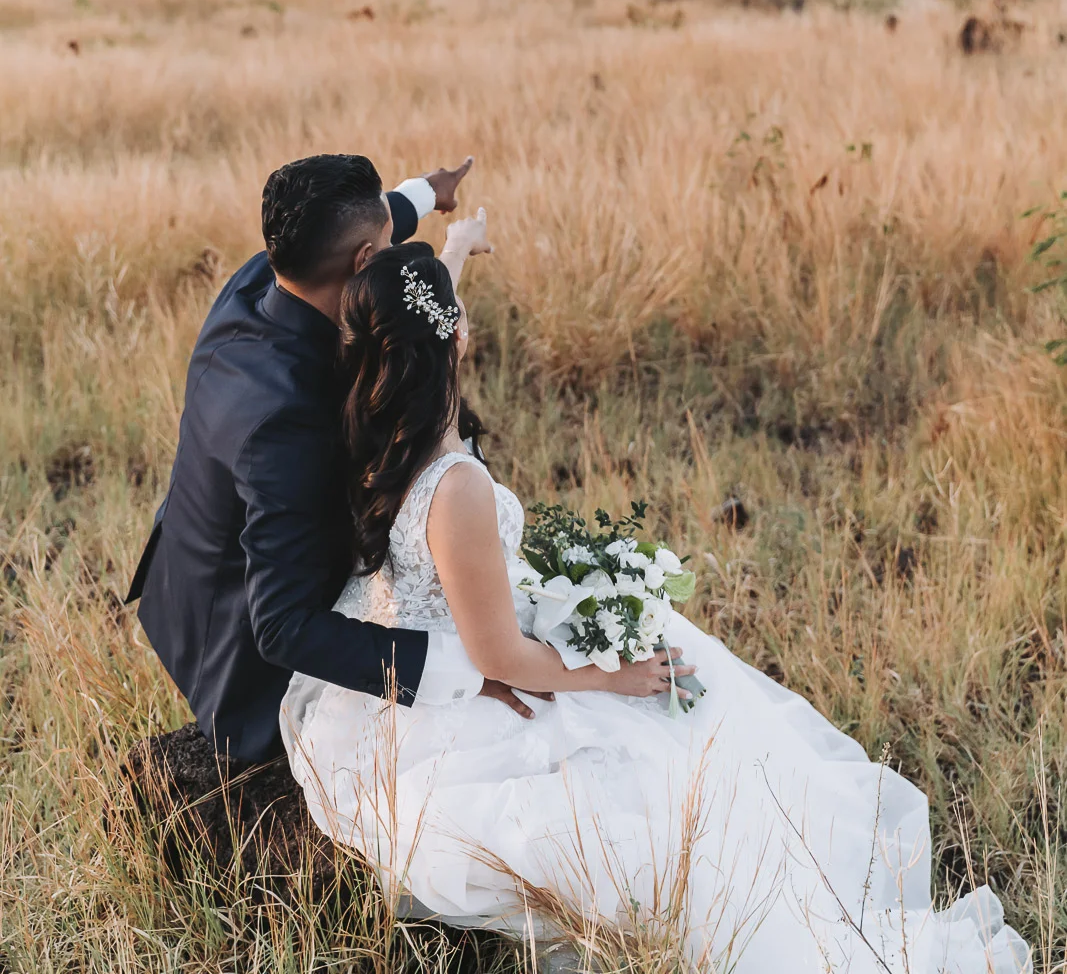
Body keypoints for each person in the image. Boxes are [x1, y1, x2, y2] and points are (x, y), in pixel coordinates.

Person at [282, 237, 1030, 974]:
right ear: (456, 333)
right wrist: (616, 676)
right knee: (667, 725)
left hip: (403, 670)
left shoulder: (376, 433)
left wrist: (455, 248)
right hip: (470, 686)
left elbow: (414, 313)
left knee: (685, 686)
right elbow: (497, 656)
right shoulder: (456, 486)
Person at [127, 150, 517, 767]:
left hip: (180, 579)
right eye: (384, 249)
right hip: (237, 655)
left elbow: (365, 224)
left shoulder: (260, 277)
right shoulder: (290, 419)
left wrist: (425, 192)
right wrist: (463, 671)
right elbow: (281, 626)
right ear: (364, 262)